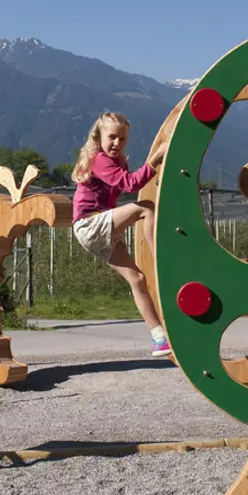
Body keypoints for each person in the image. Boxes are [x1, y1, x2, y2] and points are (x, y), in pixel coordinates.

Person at [71, 112, 170, 356]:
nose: (117, 143)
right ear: (99, 137)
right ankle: (162, 260)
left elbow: (128, 181)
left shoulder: (117, 163)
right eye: (112, 137)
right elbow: (131, 185)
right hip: (90, 224)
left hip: (97, 229)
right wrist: (156, 158)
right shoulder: (100, 160)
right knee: (146, 208)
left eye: (123, 139)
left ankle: (159, 339)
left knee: (137, 279)